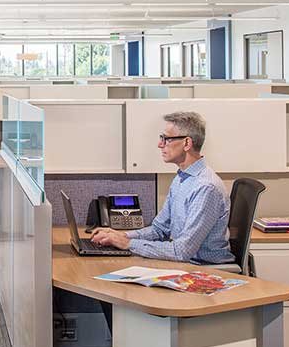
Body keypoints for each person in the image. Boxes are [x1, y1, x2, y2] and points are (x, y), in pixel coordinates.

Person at [91, 111, 234, 265]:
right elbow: (159, 229)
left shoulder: (206, 187)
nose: (160, 144)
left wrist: (127, 244)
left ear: (187, 143)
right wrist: (123, 235)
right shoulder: (182, 178)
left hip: (207, 269)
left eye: (166, 139)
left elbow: (181, 251)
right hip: (186, 263)